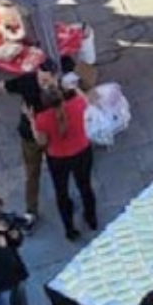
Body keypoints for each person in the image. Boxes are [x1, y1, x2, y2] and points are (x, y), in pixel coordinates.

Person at [0, 57, 64, 229]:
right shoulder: (28, 81)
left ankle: (63, 200)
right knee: (32, 174)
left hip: (53, 138)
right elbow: (4, 87)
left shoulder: (61, 91)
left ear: (56, 77)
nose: (42, 83)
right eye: (40, 79)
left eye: (46, 80)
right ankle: (31, 211)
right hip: (30, 138)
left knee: (59, 171)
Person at [33, 75, 98, 242]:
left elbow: (42, 142)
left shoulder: (42, 119)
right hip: (82, 152)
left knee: (61, 193)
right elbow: (86, 99)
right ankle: (91, 219)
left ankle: (70, 229)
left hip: (58, 159)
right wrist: (71, 87)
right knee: (85, 186)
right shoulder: (77, 104)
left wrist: (31, 122)